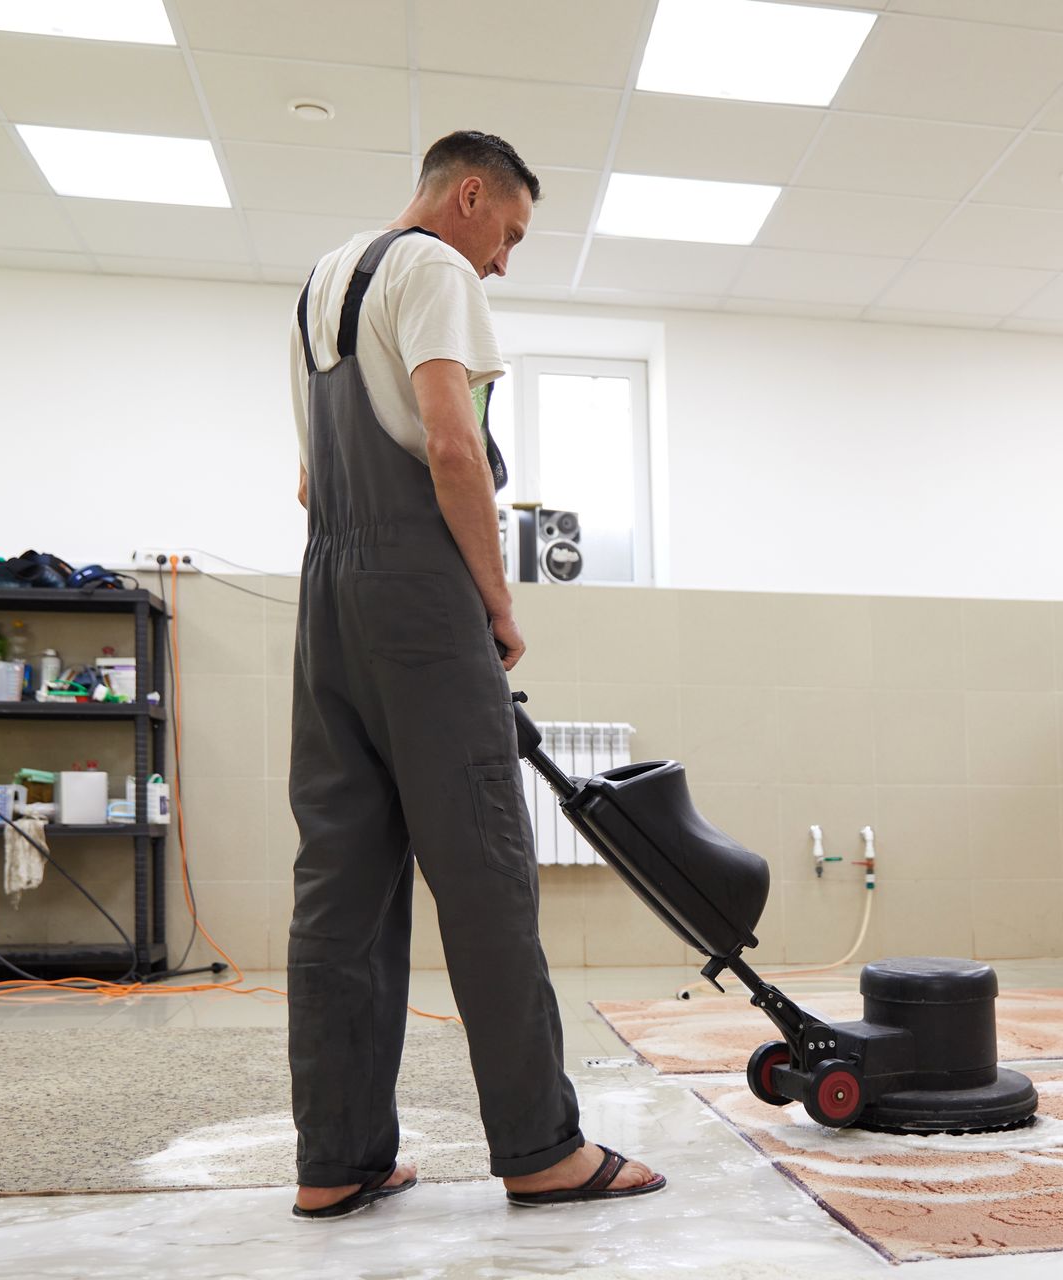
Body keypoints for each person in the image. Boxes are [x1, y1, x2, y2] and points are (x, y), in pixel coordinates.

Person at [285, 130, 665, 1219]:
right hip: (417, 598)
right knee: (488, 873)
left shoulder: (318, 285)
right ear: (467, 198)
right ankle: (541, 1147)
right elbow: (454, 448)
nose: (502, 260)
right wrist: (495, 601)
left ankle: (337, 1157)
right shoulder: (436, 268)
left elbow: (312, 482)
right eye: (509, 231)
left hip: (328, 604)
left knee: (340, 887)